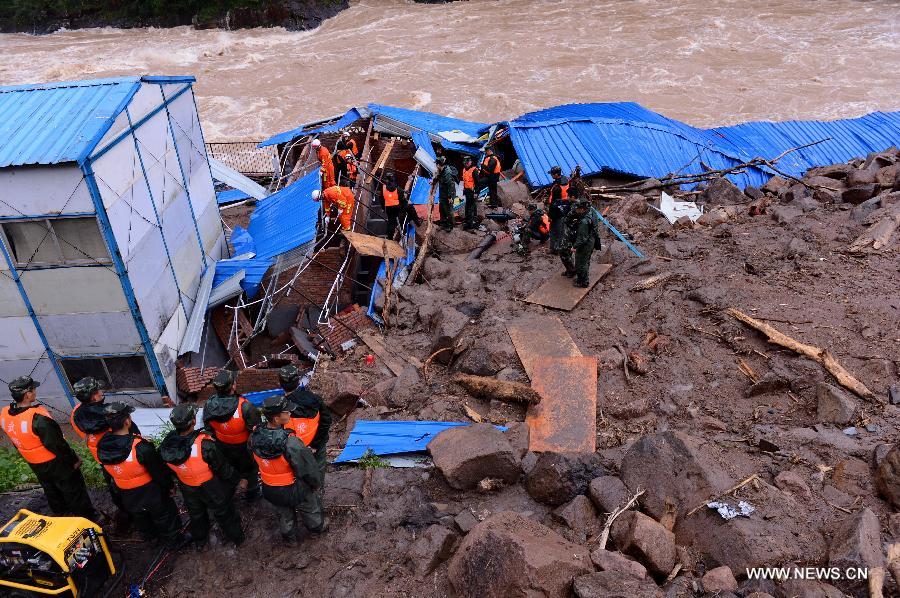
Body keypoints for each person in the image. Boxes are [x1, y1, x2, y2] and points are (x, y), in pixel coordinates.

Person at [1, 376, 95, 519]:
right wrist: (73, 459)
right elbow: (57, 444)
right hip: (56, 462)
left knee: (51, 490)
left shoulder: (5, 414)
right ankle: (88, 519)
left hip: (34, 463)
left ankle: (61, 515)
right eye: (33, 389)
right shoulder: (38, 419)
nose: (35, 391)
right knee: (74, 490)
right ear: (28, 394)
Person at [97, 403, 186, 546]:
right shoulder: (140, 447)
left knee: (140, 517)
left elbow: (108, 473)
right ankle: (174, 541)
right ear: (127, 421)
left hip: (126, 493)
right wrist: (170, 486)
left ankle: (151, 540)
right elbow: (159, 472)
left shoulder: (102, 446)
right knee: (164, 516)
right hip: (150, 491)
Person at [159, 404, 244, 549]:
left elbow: (165, 469)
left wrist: (172, 483)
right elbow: (222, 468)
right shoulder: (204, 444)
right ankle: (237, 538)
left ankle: (200, 540)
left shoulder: (167, 445)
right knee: (223, 511)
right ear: (193, 422)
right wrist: (237, 480)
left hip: (186, 485)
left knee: (196, 514)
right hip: (210, 486)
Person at [249, 396, 326, 544]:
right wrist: (315, 483)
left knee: (283, 513)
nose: (290, 413)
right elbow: (308, 468)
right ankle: (316, 529)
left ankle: (290, 539)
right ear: (277, 419)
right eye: (287, 412)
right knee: (309, 506)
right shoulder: (291, 442)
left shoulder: (253, 437)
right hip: (293, 487)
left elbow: (253, 458)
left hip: (270, 488)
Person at [71, 376, 140, 521]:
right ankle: (139, 513)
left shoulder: (77, 414)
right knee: (134, 485)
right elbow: (132, 432)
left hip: (103, 457)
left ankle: (125, 513)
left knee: (114, 485)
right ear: (94, 395)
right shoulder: (110, 413)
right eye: (99, 390)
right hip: (126, 455)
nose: (102, 392)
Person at [202, 370, 261, 501]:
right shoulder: (245, 406)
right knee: (250, 471)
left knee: (229, 469)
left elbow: (208, 427)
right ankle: (252, 494)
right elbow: (257, 430)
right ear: (233, 386)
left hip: (222, 446)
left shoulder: (209, 405)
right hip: (244, 449)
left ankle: (231, 492)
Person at [278, 365, 331, 482]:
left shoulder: (280, 407)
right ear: (298, 381)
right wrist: (315, 445)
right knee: (318, 476)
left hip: (295, 451)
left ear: (280, 383)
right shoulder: (315, 399)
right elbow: (326, 421)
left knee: (298, 480)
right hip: (317, 446)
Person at [560, 199, 599, 288]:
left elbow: (582, 238)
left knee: (580, 263)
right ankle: (582, 278)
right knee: (585, 261)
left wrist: (575, 246)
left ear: (582, 209)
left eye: (577, 209)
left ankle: (583, 282)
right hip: (591, 238)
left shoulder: (584, 222)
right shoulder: (591, 210)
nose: (575, 211)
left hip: (586, 243)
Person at [546, 165, 571, 254]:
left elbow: (553, 204)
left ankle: (554, 249)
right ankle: (559, 248)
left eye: (552, 174)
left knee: (553, 230)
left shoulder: (556, 187)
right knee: (561, 231)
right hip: (564, 209)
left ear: (556, 174)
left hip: (556, 211)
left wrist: (550, 216)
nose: (551, 175)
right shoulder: (566, 181)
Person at [431, 156, 458, 232]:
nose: (436, 166)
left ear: (439, 165)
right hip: (443, 193)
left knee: (448, 210)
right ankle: (443, 223)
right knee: (442, 208)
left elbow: (451, 185)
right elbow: (438, 177)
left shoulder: (447, 173)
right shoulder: (442, 170)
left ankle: (450, 225)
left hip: (448, 194)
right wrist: (433, 181)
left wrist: (450, 197)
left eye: (436, 164)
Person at [379, 172, 406, 239]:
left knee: (390, 221)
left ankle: (389, 236)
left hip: (388, 207)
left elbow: (381, 199)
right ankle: (392, 236)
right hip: (396, 207)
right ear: (393, 178)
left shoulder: (384, 187)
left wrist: (383, 208)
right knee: (394, 221)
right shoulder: (397, 187)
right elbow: (402, 198)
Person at [461, 156, 479, 230]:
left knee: (470, 207)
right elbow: (465, 181)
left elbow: (477, 183)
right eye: (465, 163)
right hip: (467, 190)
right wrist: (464, 190)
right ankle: (472, 219)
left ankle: (470, 224)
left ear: (470, 162)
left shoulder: (474, 170)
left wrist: (476, 192)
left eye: (467, 162)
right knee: (469, 206)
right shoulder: (464, 169)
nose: (466, 164)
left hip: (472, 191)